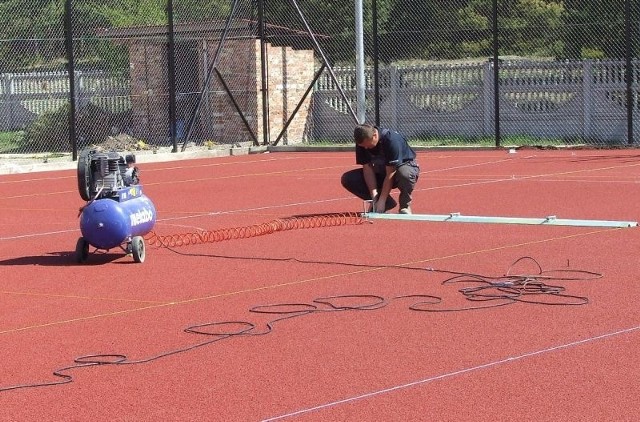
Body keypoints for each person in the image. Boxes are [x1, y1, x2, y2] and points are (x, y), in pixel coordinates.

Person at [341, 123, 420, 214]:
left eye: (368, 145)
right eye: (363, 146)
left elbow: (390, 173)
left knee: (404, 174)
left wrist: (382, 200)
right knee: (348, 179)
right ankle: (386, 203)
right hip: (382, 170)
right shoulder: (362, 143)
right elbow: (367, 170)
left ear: (375, 135)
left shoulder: (391, 140)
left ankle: (404, 206)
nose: (366, 148)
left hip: (401, 168)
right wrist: (374, 197)